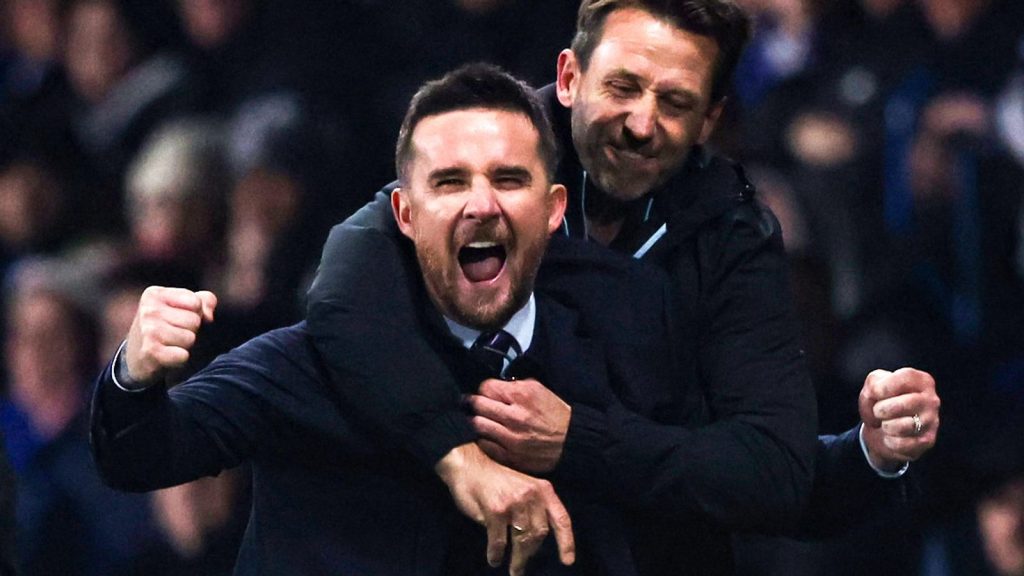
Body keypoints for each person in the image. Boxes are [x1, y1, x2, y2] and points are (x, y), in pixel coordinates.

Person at [305, 0, 940, 569]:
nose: (642, 123)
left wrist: (578, 439)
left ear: (711, 118)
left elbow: (771, 472)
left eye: (676, 102)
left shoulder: (734, 234)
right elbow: (344, 286)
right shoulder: (492, 149)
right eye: (623, 87)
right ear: (568, 78)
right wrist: (455, 455)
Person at [90, 63, 679, 575]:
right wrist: (132, 376)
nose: (481, 204)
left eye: (508, 179)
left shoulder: (616, 362)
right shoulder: (311, 362)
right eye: (449, 182)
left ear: (552, 210)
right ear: (404, 213)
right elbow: (139, 455)